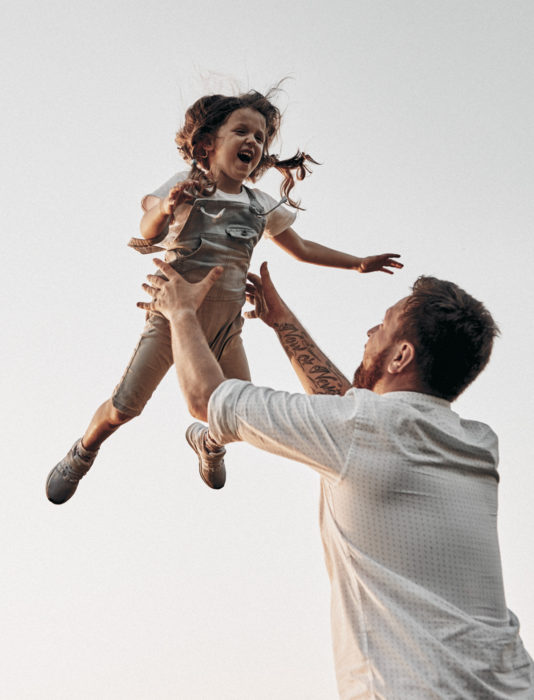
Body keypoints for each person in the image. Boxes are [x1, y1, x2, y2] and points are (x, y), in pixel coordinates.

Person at [137, 258, 534, 699]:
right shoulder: (477, 446)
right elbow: (354, 417)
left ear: (401, 356)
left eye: (382, 327)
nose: (369, 333)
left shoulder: (362, 432)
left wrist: (181, 312)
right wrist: (282, 321)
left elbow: (206, 397)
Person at [46, 88, 402, 504]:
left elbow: (302, 248)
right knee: (124, 408)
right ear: (209, 143)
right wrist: (165, 208)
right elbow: (148, 230)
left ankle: (208, 443)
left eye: (261, 137)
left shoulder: (260, 206)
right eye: (242, 131)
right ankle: (83, 451)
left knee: (243, 414)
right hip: (175, 318)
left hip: (226, 327)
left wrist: (357, 263)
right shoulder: (185, 185)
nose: (253, 141)